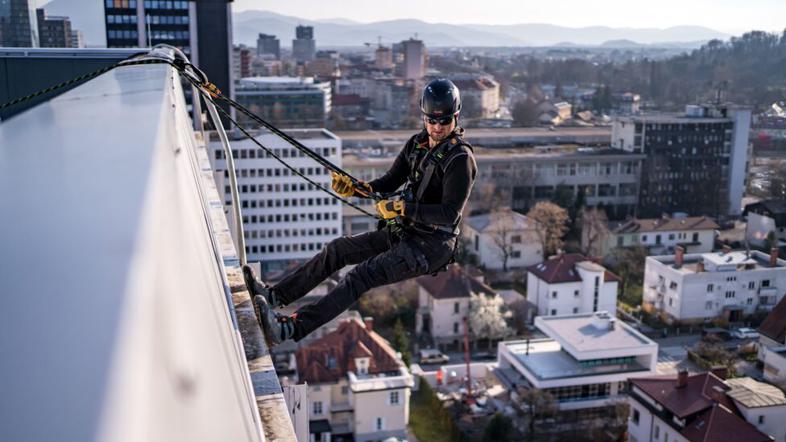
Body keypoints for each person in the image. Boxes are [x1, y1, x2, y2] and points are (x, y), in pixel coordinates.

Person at [244, 78, 477, 346]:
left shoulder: (460, 160)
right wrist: (356, 188)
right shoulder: (417, 144)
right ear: (423, 117)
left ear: (456, 117)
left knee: (360, 276)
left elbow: (449, 214)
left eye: (444, 121)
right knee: (338, 250)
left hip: (431, 246)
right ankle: (275, 296)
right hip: (408, 231)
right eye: (431, 121)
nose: (437, 127)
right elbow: (389, 182)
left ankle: (288, 329)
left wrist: (404, 208)